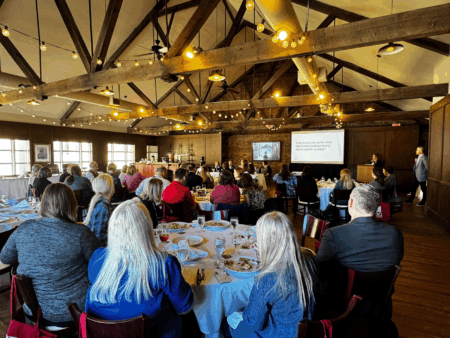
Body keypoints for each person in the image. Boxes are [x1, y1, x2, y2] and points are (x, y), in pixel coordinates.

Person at [85, 199, 195, 338]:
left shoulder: (97, 257)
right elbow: (184, 308)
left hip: (101, 333)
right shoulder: (163, 264)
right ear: (147, 229)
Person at [0, 183, 102, 328]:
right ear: (72, 204)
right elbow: (102, 266)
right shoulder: (80, 233)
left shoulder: (23, 229)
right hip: (74, 312)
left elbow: (5, 258)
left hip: (33, 311)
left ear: (43, 204)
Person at [224, 212, 318, 337]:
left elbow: (253, 324)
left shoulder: (268, 278)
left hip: (281, 333)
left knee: (230, 322)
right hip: (306, 328)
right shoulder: (309, 256)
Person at [317, 184, 404, 271]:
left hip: (343, 284)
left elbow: (319, 268)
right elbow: (396, 261)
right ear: (377, 206)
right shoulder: (395, 233)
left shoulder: (332, 235)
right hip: (384, 284)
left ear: (350, 203)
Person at [85, 174, 114, 246]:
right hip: (101, 249)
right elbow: (99, 237)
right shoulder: (102, 207)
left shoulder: (99, 203)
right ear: (110, 188)